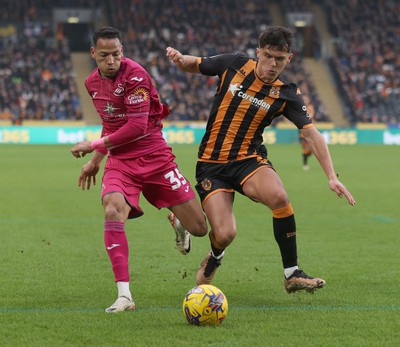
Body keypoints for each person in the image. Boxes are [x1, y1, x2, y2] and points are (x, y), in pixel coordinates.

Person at [166, 26, 356, 294]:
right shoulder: (234, 64)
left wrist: (332, 177)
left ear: (289, 59)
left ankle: (292, 274)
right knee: (225, 234)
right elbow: (194, 64)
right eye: (267, 56)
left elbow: (311, 134)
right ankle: (214, 256)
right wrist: (179, 58)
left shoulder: (286, 93)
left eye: (280, 58)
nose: (272, 64)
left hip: (248, 160)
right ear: (258, 52)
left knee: (279, 197)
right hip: (212, 164)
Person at [71, 26, 207, 313]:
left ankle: (177, 220)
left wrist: (93, 145)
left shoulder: (136, 75)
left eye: (116, 54)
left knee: (200, 228)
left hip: (155, 157)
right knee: (111, 208)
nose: (111, 61)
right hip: (121, 162)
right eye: (105, 55)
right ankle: (125, 295)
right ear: (93, 54)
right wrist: (96, 161)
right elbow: (111, 124)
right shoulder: (91, 83)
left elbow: (135, 126)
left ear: (123, 52)